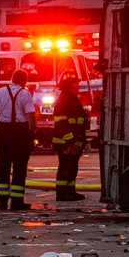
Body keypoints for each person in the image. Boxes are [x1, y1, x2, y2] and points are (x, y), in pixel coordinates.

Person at [0, 69, 36, 211]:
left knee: (3, 167)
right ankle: (17, 202)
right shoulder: (25, 93)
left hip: (4, 132)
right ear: (24, 80)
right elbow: (31, 117)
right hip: (20, 133)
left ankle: (1, 202)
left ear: (12, 78)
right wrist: (31, 132)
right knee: (19, 168)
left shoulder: (0, 92)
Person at [51, 70, 89, 202]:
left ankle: (70, 191)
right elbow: (61, 125)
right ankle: (62, 194)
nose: (77, 86)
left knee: (72, 168)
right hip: (66, 142)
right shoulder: (64, 100)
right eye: (75, 83)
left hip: (73, 142)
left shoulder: (72, 99)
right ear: (69, 85)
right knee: (65, 168)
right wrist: (70, 143)